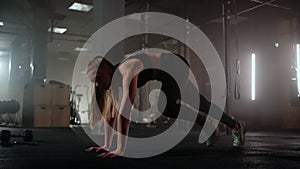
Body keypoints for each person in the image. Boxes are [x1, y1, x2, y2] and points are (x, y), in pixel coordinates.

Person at [85, 53, 246, 158]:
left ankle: (216, 125)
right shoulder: (113, 82)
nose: (97, 85)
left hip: (175, 66)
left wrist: (120, 149)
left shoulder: (127, 69)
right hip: (166, 75)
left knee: (166, 107)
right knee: (201, 104)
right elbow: (110, 114)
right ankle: (235, 125)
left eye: (98, 79)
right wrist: (106, 145)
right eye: (95, 82)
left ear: (106, 68)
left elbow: (125, 111)